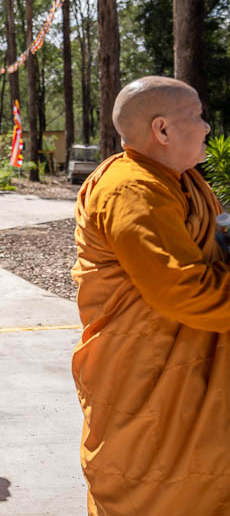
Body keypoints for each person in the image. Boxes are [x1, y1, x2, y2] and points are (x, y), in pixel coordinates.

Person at [71, 76, 230, 515]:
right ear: (162, 130)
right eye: (197, 116)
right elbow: (183, 292)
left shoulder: (182, 180)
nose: (207, 127)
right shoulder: (131, 189)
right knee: (152, 488)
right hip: (148, 374)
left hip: (190, 370)